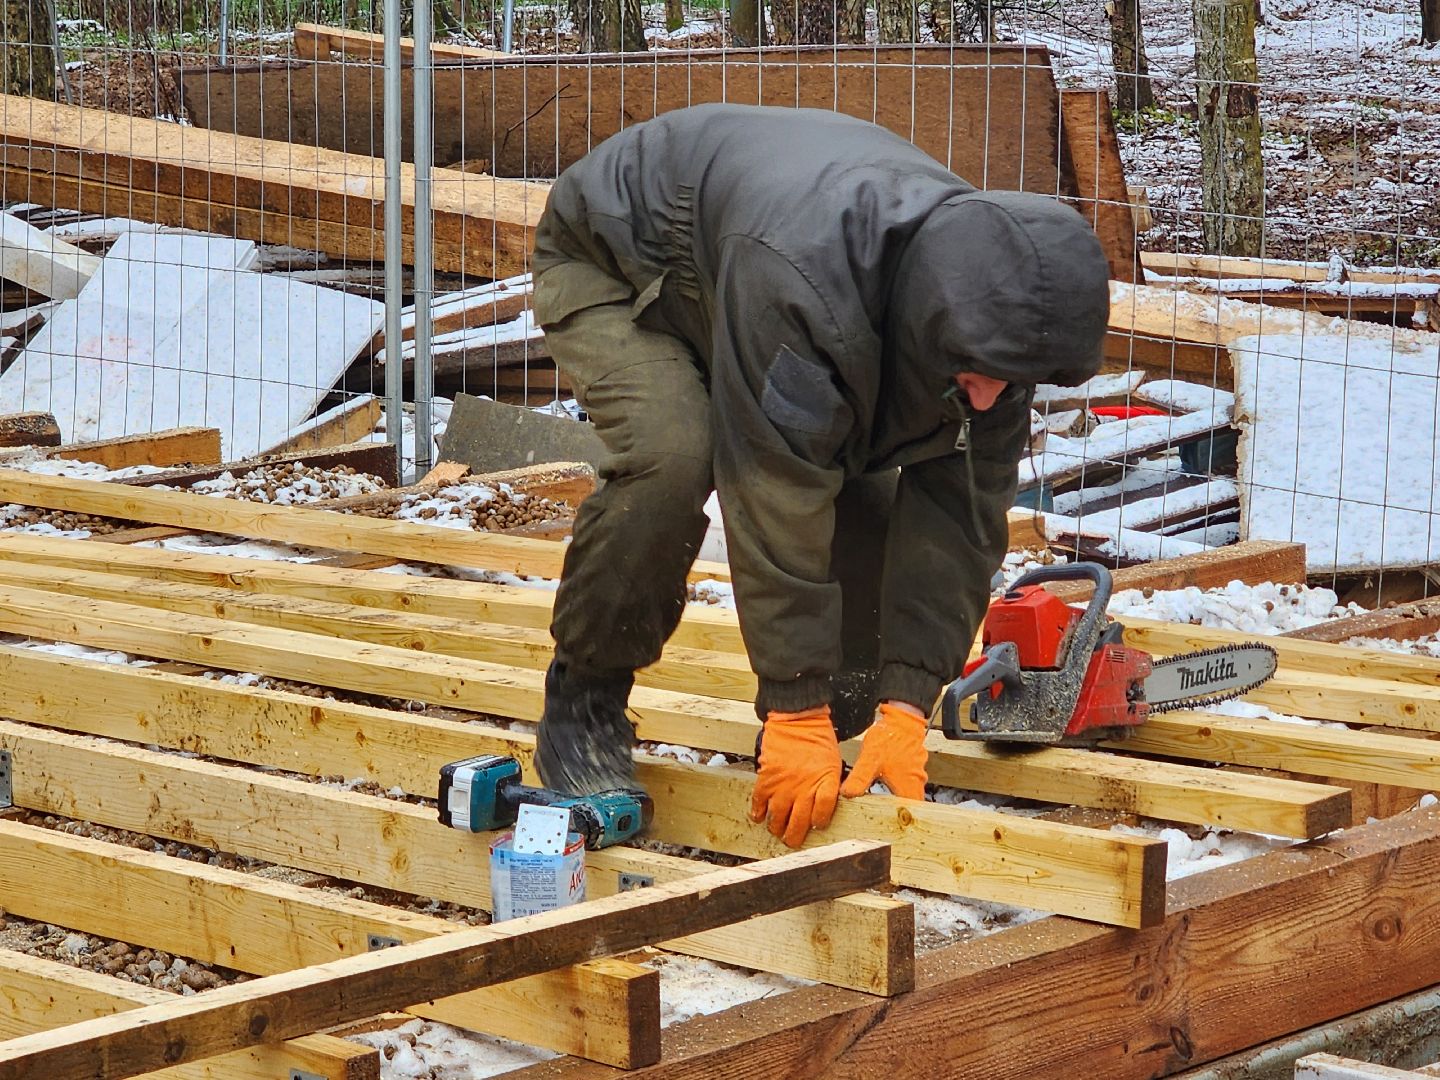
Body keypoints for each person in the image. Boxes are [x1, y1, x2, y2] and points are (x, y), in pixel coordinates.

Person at [528, 103, 1110, 848]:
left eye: (1011, 381)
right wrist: (792, 708)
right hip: (627, 265)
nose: (992, 397)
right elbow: (775, 489)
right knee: (672, 458)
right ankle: (583, 702)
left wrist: (906, 703)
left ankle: (845, 719)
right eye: (980, 374)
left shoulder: (994, 323)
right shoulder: (812, 286)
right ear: (937, 316)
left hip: (748, 267)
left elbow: (961, 517)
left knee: (863, 521)